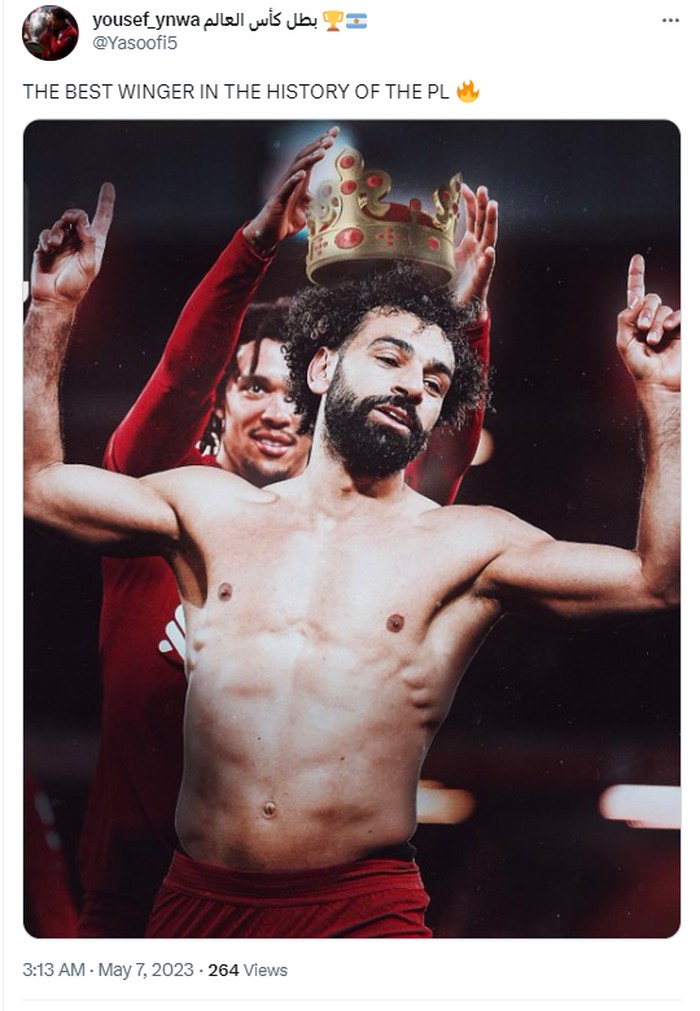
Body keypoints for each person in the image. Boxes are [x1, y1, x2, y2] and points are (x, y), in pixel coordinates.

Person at [25, 184, 678, 940]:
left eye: (434, 381)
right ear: (321, 369)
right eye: (390, 357)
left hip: (363, 916)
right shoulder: (212, 510)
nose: (411, 385)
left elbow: (656, 579)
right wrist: (51, 308)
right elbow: (36, 486)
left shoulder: (464, 544)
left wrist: (664, 396)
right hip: (195, 908)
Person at [72, 137, 496, 937]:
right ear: (216, 406)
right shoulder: (158, 507)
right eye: (252, 386)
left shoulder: (365, 532)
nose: (276, 411)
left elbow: (441, 455)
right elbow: (178, 378)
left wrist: (462, 323)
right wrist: (254, 246)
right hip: (134, 902)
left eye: (293, 398)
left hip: (293, 899)